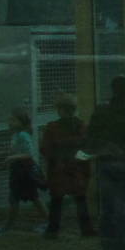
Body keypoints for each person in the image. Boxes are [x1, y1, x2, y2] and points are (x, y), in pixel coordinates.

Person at [85, 75, 125, 250]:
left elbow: (92, 138)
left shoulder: (101, 112)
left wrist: (107, 149)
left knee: (108, 210)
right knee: (123, 210)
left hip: (107, 163)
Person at [40, 94, 94, 239]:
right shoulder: (81, 126)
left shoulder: (52, 128)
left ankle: (53, 230)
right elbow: (88, 148)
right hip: (77, 169)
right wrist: (81, 164)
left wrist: (56, 160)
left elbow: (45, 149)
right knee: (80, 199)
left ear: (60, 110)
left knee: (56, 200)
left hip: (59, 169)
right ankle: (86, 230)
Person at [0, 107, 48, 234]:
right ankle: (8, 225)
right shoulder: (16, 135)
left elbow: (29, 153)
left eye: (13, 120)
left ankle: (8, 226)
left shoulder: (23, 135)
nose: (10, 122)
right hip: (18, 169)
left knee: (26, 197)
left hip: (24, 170)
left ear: (21, 122)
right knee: (26, 197)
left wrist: (11, 158)